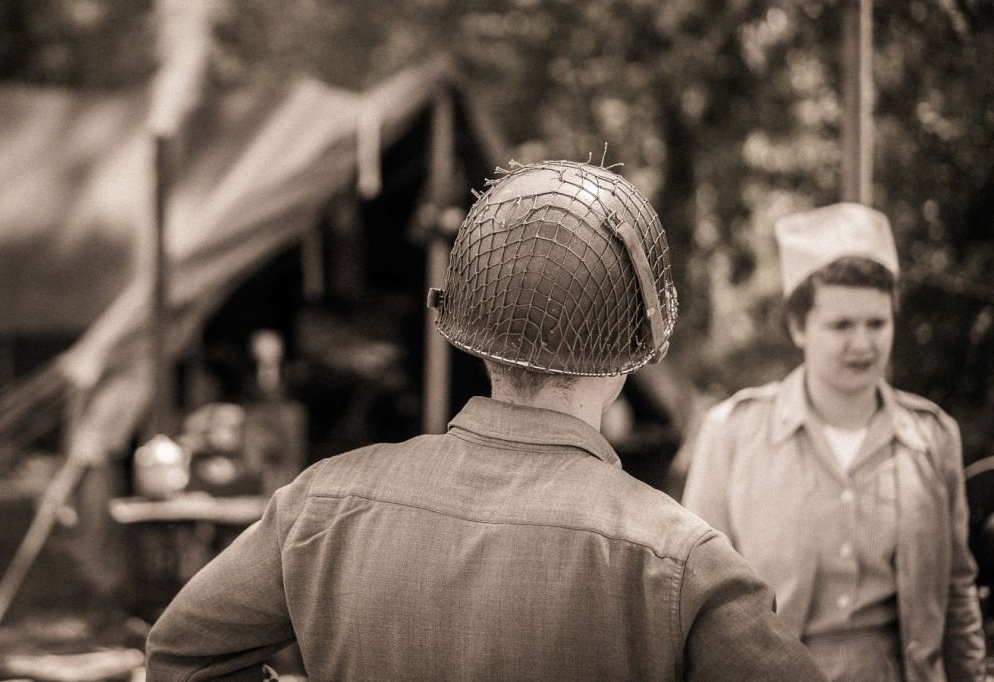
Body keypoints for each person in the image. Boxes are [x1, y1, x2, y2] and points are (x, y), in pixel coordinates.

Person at [145, 160, 825, 680]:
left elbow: (179, 652)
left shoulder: (318, 506)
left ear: (464, 330)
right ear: (633, 352)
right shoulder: (681, 561)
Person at [682, 203, 988, 681]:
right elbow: (694, 594)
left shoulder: (931, 436)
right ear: (799, 328)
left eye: (877, 323)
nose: (863, 345)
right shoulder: (734, 432)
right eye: (841, 326)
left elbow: (955, 592)